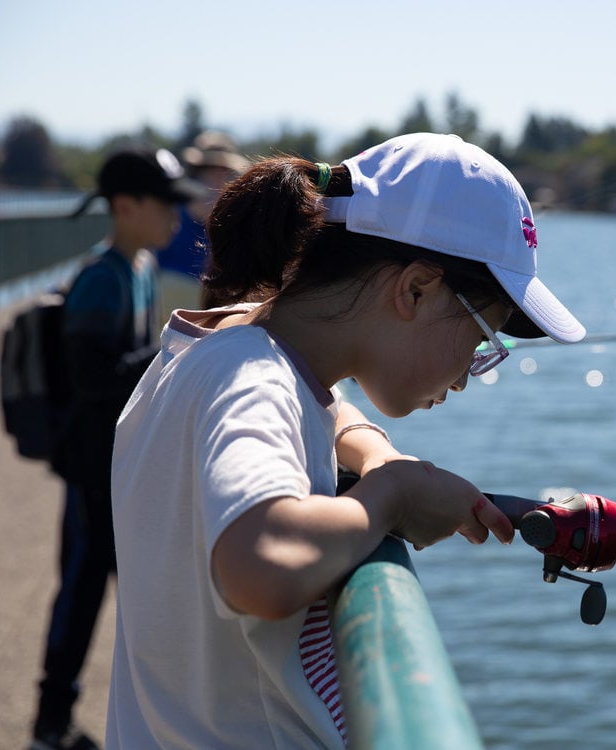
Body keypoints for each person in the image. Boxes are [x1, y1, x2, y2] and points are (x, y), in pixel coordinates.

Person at [106, 132, 587, 749]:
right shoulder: (253, 382)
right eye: (483, 338)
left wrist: (379, 456)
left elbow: (329, 412)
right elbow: (261, 566)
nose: (471, 373)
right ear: (414, 289)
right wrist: (387, 497)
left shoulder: (231, 346)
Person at [31, 146, 205, 750]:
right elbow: (93, 378)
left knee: (114, 587)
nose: (178, 220)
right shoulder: (102, 278)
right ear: (125, 207)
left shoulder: (138, 268)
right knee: (81, 589)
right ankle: (50, 725)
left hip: (111, 463)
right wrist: (173, 349)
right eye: (167, 206)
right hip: (88, 468)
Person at [155, 130, 250, 317]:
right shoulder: (172, 215)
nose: (219, 178)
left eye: (225, 171)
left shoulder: (235, 224)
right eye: (211, 169)